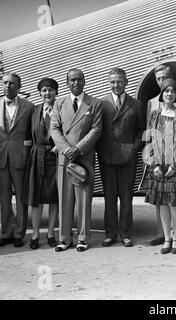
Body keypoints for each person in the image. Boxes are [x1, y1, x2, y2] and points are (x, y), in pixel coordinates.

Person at [51, 68, 103, 252]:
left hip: (84, 157)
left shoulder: (95, 103)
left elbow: (96, 130)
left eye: (79, 79)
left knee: (84, 199)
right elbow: (54, 129)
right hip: (64, 158)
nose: (76, 83)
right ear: (67, 83)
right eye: (72, 80)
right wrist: (67, 149)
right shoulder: (59, 104)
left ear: (84, 81)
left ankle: (82, 237)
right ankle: (64, 238)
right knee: (65, 199)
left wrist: (78, 149)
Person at [97, 67, 145, 247]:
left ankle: (126, 233)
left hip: (128, 155)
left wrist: (134, 147)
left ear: (126, 82)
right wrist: (100, 150)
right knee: (109, 197)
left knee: (126, 197)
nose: (115, 85)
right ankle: (110, 234)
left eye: (119, 81)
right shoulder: (101, 104)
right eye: (112, 82)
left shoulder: (136, 104)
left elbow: (141, 129)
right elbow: (96, 129)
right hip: (107, 156)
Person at [142, 78, 176, 254]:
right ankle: (167, 239)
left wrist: (175, 165)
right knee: (162, 203)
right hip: (158, 164)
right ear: (161, 95)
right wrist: (154, 164)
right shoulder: (154, 114)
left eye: (172, 91)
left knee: (174, 204)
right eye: (166, 91)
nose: (169, 94)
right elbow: (149, 139)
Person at [23, 77, 59, 249]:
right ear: (40, 93)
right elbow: (28, 137)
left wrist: (60, 146)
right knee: (36, 196)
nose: (47, 93)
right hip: (37, 156)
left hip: (56, 157)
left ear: (56, 92)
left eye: (50, 90)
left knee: (54, 197)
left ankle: (51, 232)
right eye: (44, 90)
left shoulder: (61, 109)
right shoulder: (34, 111)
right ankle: (36, 233)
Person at [0, 72, 34, 248]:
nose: (7, 86)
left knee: (21, 197)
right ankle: (6, 233)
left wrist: (27, 153)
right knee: (3, 198)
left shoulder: (29, 107)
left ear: (19, 86)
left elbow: (32, 134)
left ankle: (20, 233)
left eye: (12, 83)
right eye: (5, 82)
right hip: (1, 158)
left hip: (20, 157)